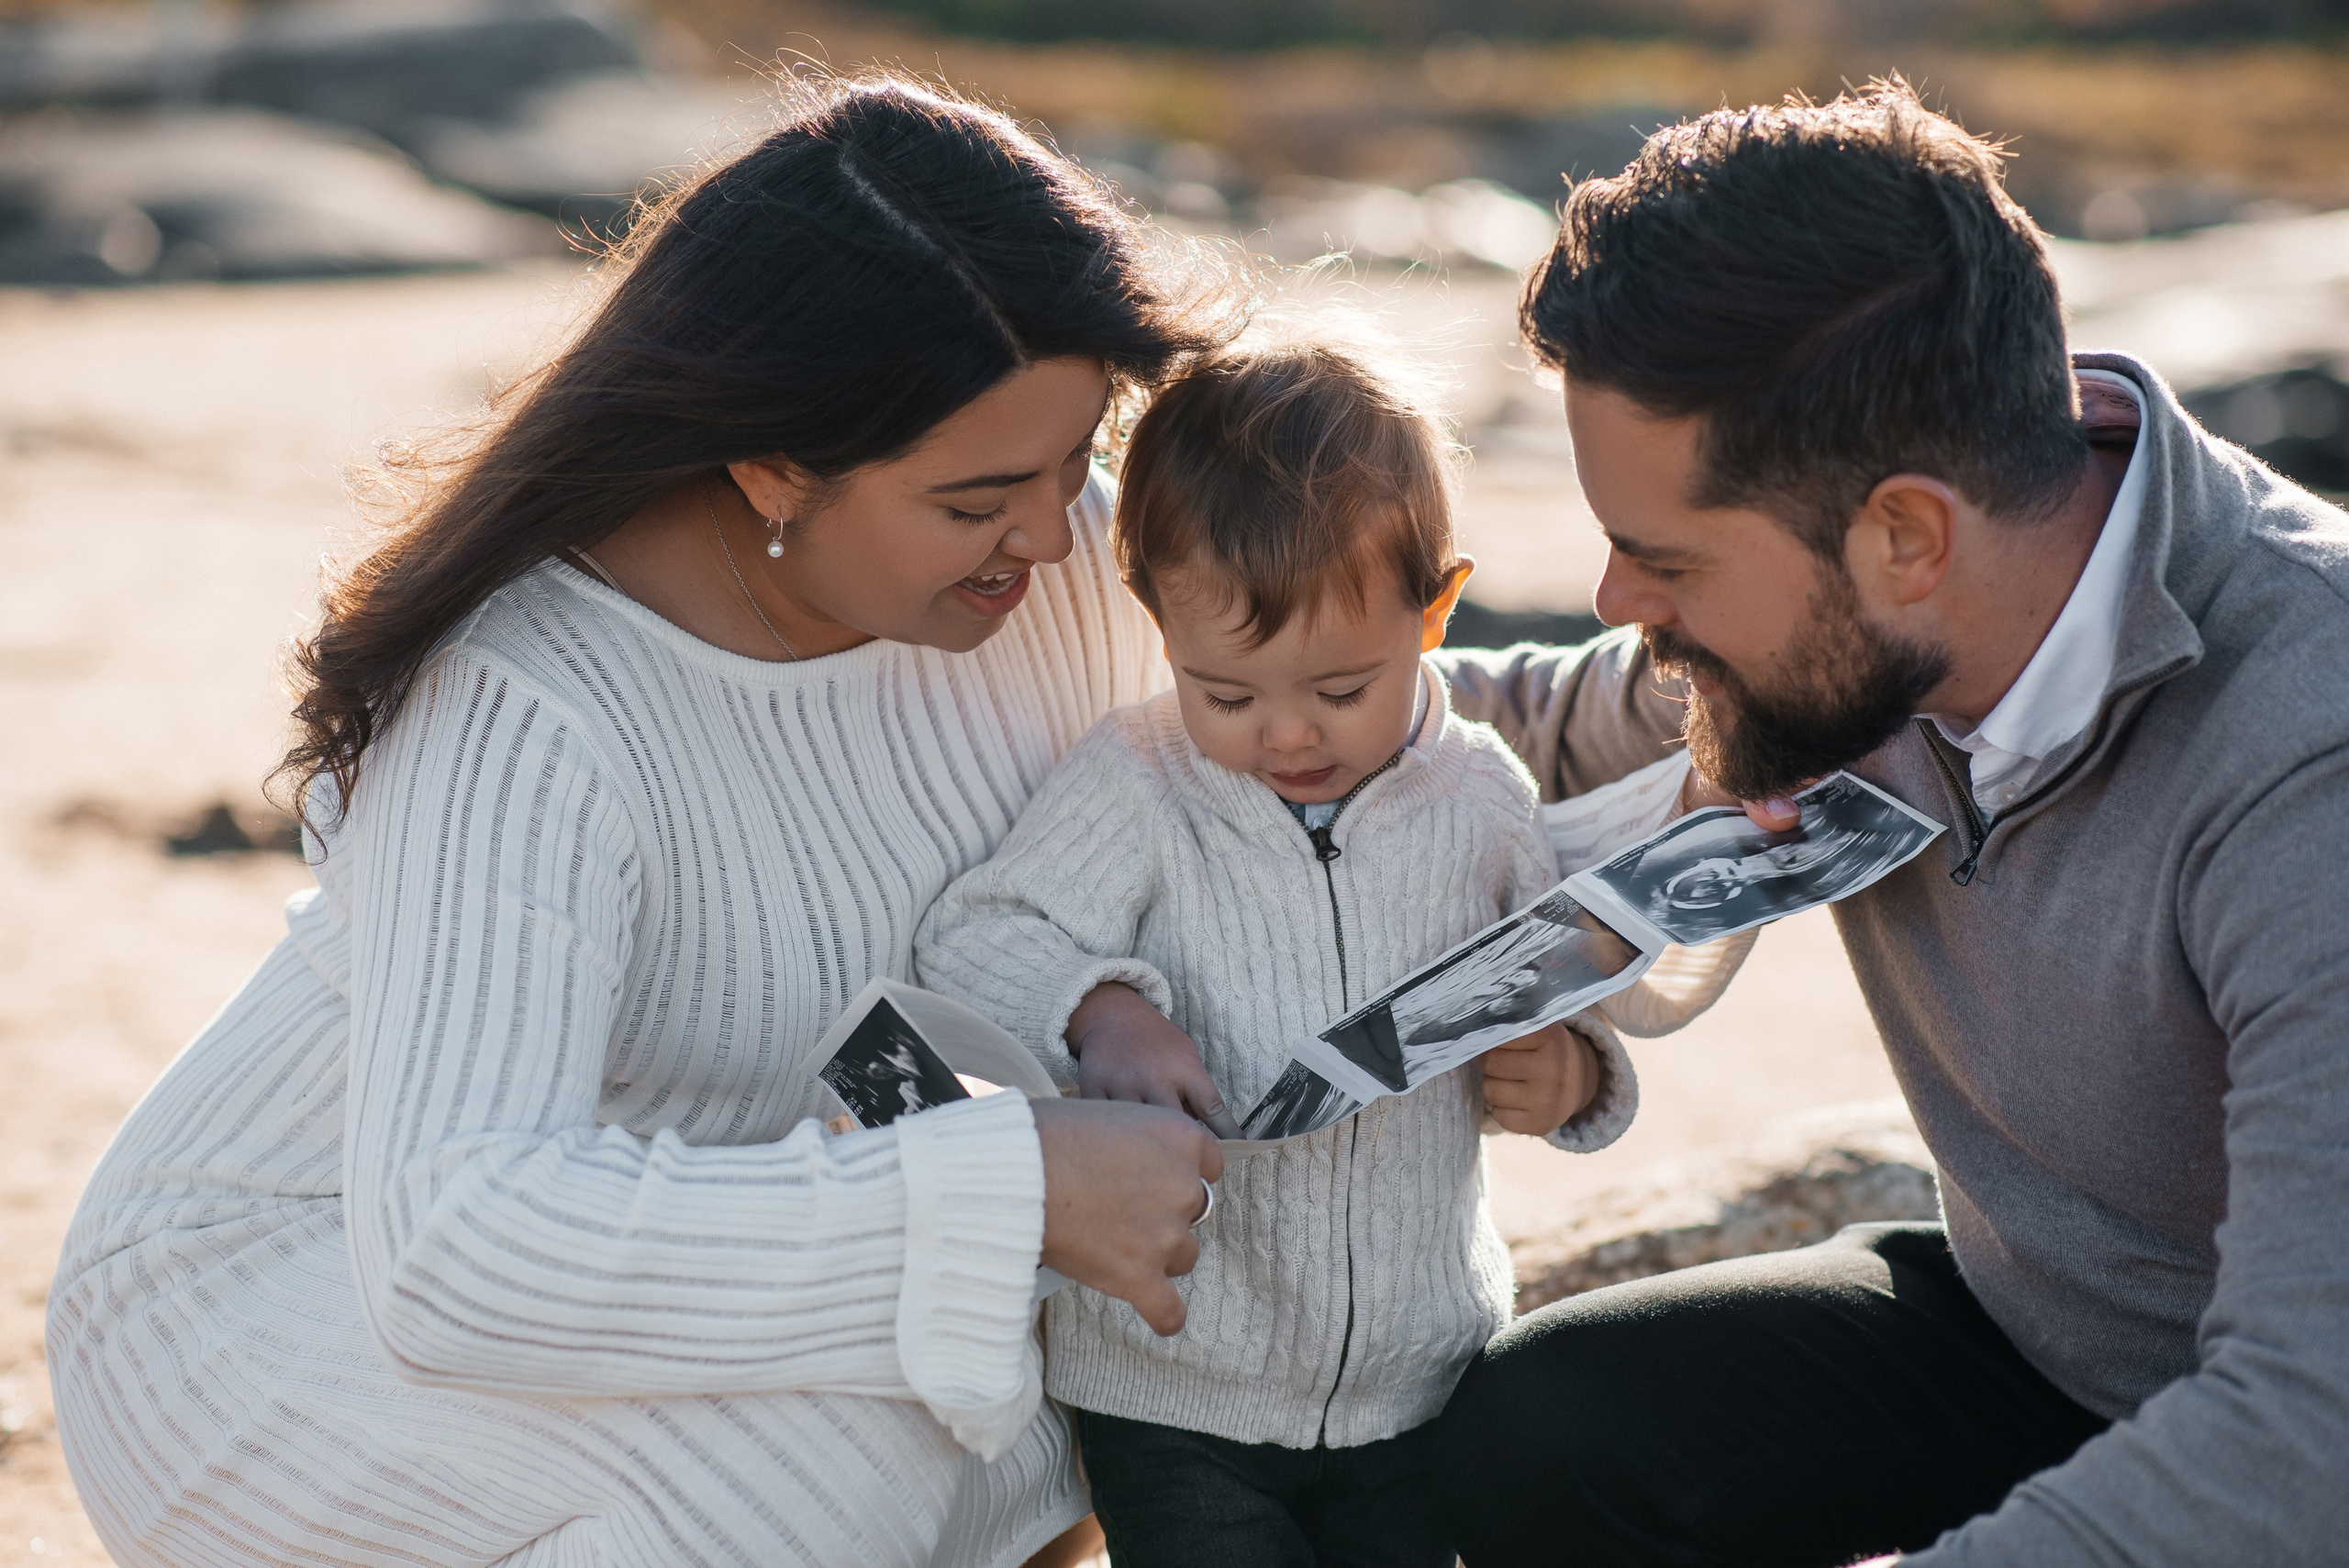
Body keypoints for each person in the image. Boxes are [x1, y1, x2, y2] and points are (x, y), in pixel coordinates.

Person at [48, 76, 1240, 1568]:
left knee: (1062, 1384)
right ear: (770, 465)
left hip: (730, 1201)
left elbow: (1302, 733)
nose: (1056, 531)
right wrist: (1009, 1190)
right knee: (850, 1459)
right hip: (291, 1297)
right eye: (979, 497)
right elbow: (459, 1251)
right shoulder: (528, 709)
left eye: (1077, 459)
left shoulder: (1044, 565)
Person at [1434, 79, 2349, 1566]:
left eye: (1659, 557)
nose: (1617, 605)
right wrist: (1154, 703)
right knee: (1543, 1438)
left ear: (1908, 535)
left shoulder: (2311, 743)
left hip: (2296, 1432)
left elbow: (2314, 1431)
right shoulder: (1861, 624)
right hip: (2041, 1343)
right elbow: (1508, 721)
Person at [916, 338, 1738, 1568]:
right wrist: (1104, 1009)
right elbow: (978, 935)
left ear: (1437, 609)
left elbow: (1569, 979)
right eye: (1228, 694)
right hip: (1172, 1381)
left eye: (1342, 687)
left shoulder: (1482, 799)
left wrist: (1571, 1080)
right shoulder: (1140, 780)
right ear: (1158, 619)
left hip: (1415, 1379)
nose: (1287, 733)